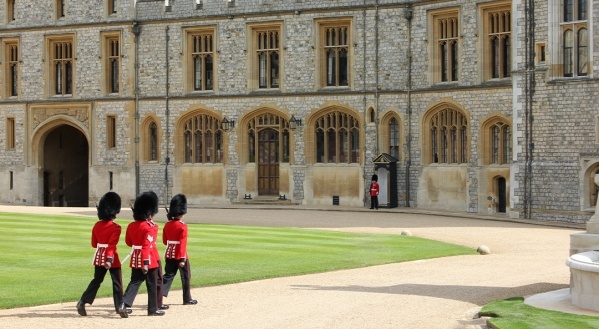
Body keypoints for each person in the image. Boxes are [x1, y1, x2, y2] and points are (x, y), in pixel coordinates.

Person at [77, 191, 129, 318]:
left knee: (96, 281)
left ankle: (82, 301)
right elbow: (112, 245)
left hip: (99, 257)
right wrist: (110, 259)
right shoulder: (116, 227)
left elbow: (94, 244)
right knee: (117, 282)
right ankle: (120, 306)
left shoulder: (96, 225)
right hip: (111, 258)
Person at [119, 191, 166, 316]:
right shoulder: (151, 226)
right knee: (152, 284)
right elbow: (147, 246)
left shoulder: (131, 226)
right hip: (148, 259)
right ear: (150, 213)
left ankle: (123, 304)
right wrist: (145, 263)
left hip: (135, 257)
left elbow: (129, 243)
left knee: (134, 282)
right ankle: (153, 309)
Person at [162, 194, 198, 305]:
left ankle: (158, 297)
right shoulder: (182, 226)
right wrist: (182, 258)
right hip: (180, 254)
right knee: (186, 277)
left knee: (168, 276)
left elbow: (164, 241)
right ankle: (187, 299)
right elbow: (182, 243)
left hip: (169, 253)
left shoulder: (167, 225)